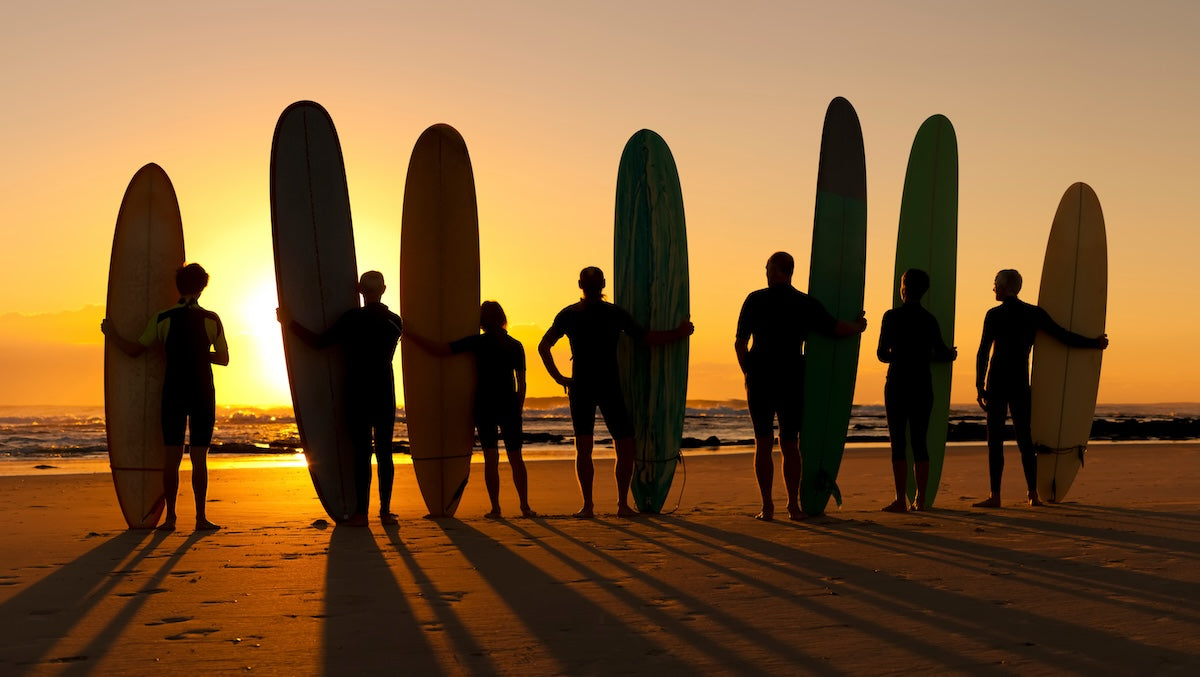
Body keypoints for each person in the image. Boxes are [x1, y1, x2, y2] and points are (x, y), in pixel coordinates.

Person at [538, 266, 693, 518]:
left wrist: (560, 378)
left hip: (581, 386)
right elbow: (645, 339)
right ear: (604, 284)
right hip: (609, 384)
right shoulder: (614, 313)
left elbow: (543, 346)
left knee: (584, 448)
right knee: (624, 445)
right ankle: (622, 504)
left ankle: (588, 506)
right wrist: (678, 333)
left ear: (580, 285)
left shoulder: (569, 314)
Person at [734, 251, 867, 521]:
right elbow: (835, 328)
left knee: (763, 442)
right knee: (790, 443)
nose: (766, 271)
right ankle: (793, 507)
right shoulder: (804, 302)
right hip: (791, 377)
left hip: (760, 377)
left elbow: (739, 342)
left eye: (767, 267)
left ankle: (767, 506)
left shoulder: (755, 299)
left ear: (775, 270)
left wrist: (748, 370)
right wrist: (858, 326)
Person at [101, 263, 229, 532]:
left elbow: (136, 350)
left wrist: (111, 334)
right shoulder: (211, 319)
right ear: (203, 287)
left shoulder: (163, 318)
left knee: (171, 458)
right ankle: (201, 518)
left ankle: (170, 519)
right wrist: (199, 354)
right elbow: (224, 359)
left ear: (178, 286)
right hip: (203, 392)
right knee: (198, 457)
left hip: (173, 391)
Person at [974, 269, 1108, 508]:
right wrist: (1093, 344)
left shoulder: (993, 315)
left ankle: (995, 496)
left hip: (997, 382)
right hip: (1019, 382)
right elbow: (1063, 336)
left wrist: (979, 384)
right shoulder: (1032, 314)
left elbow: (984, 351)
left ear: (1005, 287)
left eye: (995, 284)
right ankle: (1032, 494)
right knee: (1025, 439)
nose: (993, 288)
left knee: (995, 441)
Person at [279, 271, 402, 526]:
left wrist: (290, 323)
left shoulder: (352, 319)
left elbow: (319, 343)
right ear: (384, 289)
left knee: (361, 453)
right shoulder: (395, 322)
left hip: (357, 391)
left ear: (359, 290)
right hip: (384, 392)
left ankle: (361, 514)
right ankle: (386, 511)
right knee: (384, 452)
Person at [406, 301, 535, 518]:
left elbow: (440, 351)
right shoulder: (515, 345)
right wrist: (517, 409)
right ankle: (525, 507)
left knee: (491, 457)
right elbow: (521, 383)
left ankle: (496, 508)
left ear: (481, 321)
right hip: (508, 405)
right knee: (516, 458)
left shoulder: (478, 342)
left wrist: (412, 336)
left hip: (484, 405)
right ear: (502, 318)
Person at [876, 268, 957, 513]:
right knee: (920, 441)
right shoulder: (929, 319)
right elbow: (944, 353)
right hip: (922, 384)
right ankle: (920, 500)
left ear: (903, 289)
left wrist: (899, 354)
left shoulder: (891, 317)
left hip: (898, 383)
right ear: (923, 291)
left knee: (898, 442)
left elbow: (881, 354)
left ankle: (901, 499)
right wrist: (948, 354)